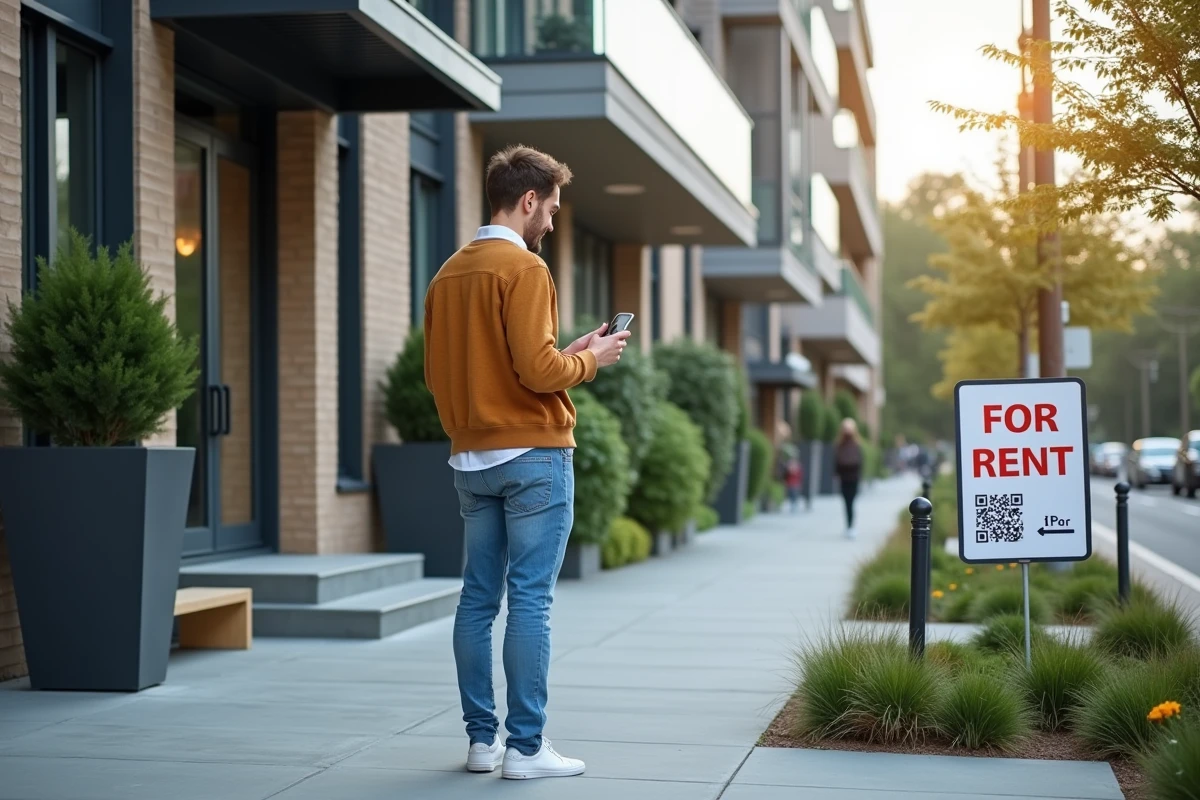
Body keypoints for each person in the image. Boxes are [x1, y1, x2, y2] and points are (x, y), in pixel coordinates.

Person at [422, 145, 631, 780]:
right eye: (552, 208)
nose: (553, 222)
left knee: (477, 599)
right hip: (534, 457)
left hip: (472, 458)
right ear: (529, 199)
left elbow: (445, 373)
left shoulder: (448, 274)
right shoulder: (526, 270)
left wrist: (563, 354)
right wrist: (590, 362)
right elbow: (538, 372)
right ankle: (526, 747)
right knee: (531, 601)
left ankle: (481, 742)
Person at [834, 418, 864, 538]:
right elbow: (836, 462)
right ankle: (849, 526)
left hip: (853, 478)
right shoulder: (839, 445)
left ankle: (851, 526)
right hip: (844, 478)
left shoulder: (856, 445)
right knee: (846, 503)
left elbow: (859, 463)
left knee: (851, 502)